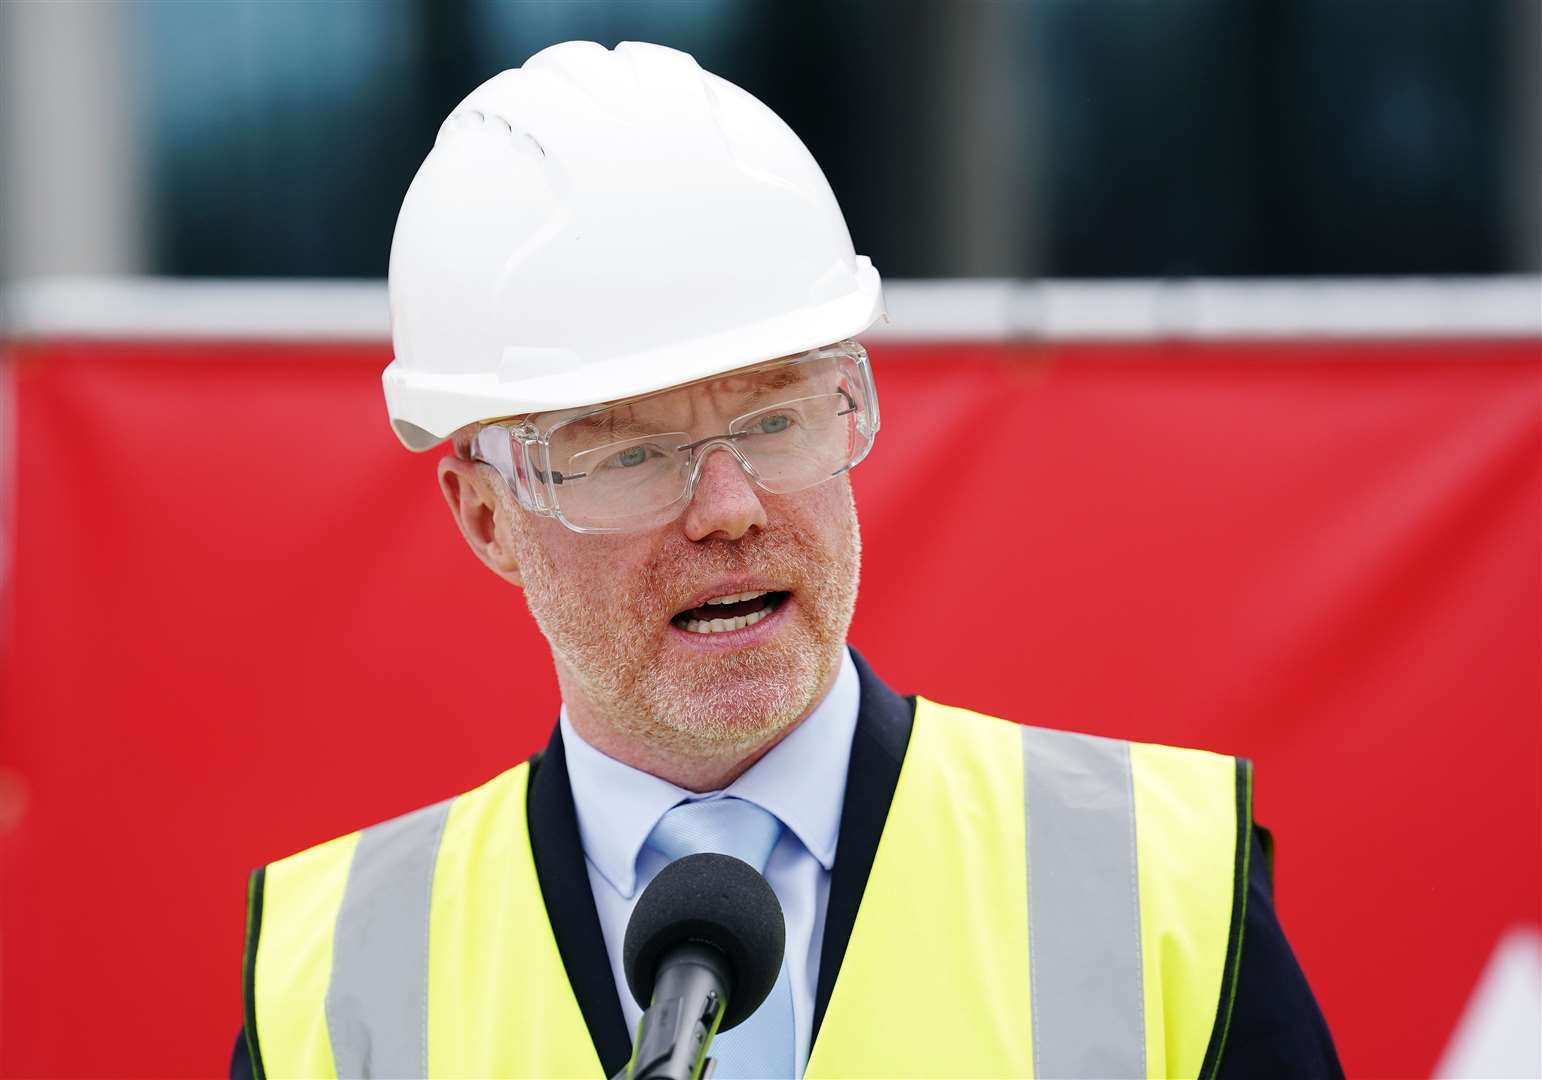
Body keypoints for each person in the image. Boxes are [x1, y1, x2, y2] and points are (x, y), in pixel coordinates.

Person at [232, 41, 1340, 1079]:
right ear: (485, 517)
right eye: (631, 450)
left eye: (777, 421)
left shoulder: (1159, 885)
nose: (727, 508)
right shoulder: (333, 989)